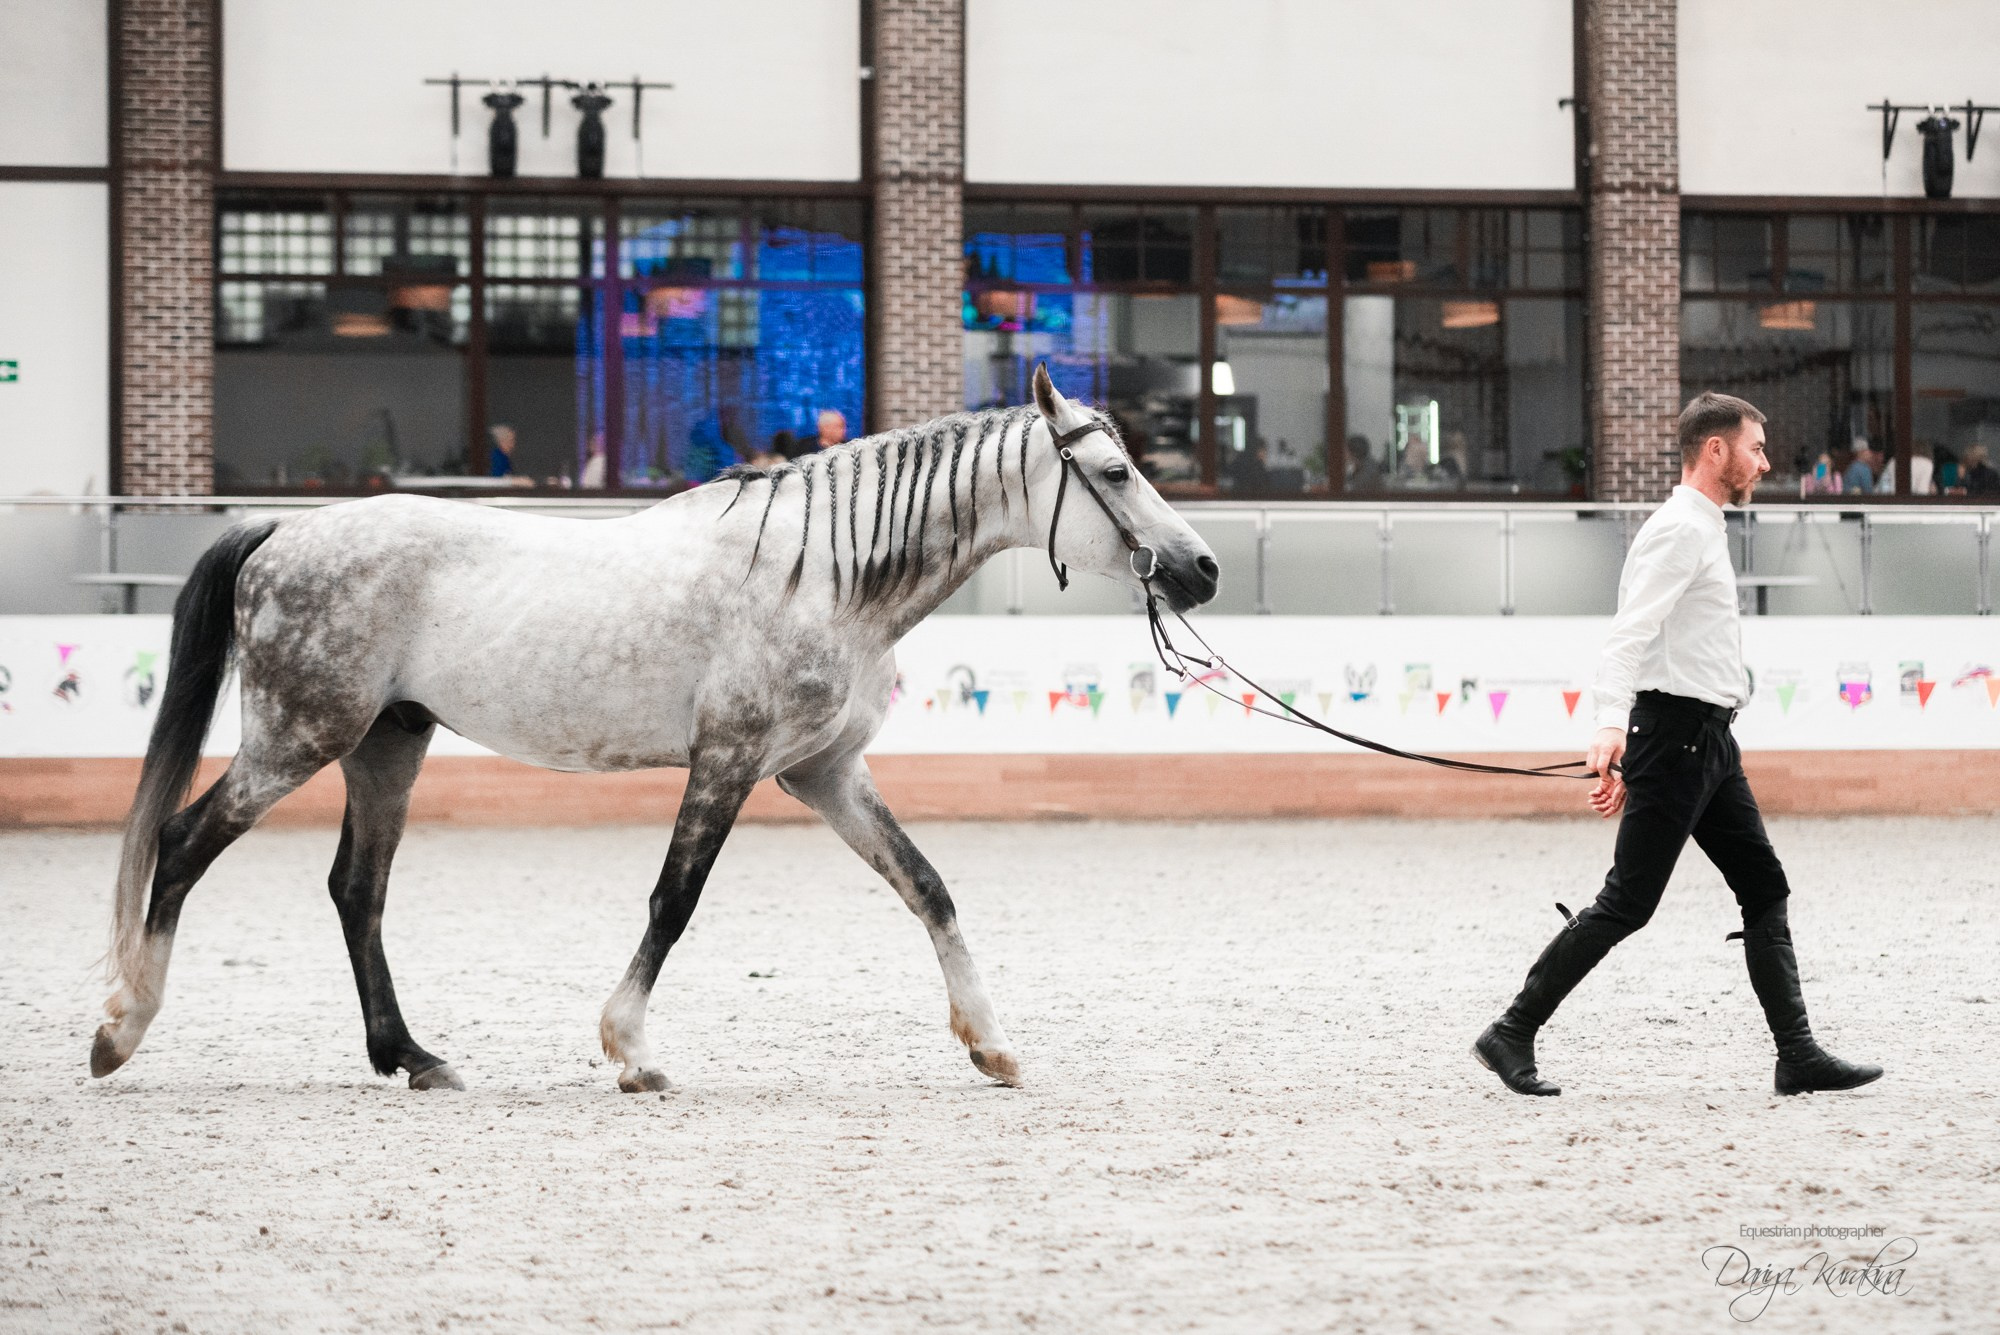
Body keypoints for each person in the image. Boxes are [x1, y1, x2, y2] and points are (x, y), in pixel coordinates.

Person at [1473, 391, 1883, 1099]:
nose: (1764, 459)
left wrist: (1644, 742)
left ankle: (1797, 1055)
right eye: (1755, 446)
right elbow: (1628, 635)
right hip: (1680, 739)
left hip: (1708, 743)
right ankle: (1511, 1030)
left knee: (1763, 886)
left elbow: (1667, 649)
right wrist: (1614, 726)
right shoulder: (1680, 531)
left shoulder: (1704, 527)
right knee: (1628, 902)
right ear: (1716, 450)